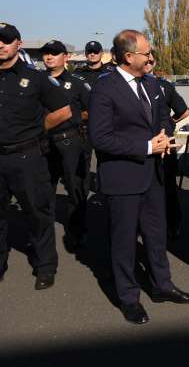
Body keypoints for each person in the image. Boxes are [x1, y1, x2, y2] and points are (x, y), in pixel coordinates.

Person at [89, 29, 189, 324]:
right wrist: (148, 146)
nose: (151, 57)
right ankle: (128, 298)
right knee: (124, 241)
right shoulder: (105, 88)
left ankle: (162, 285)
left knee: (156, 235)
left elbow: (162, 118)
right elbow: (100, 137)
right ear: (128, 56)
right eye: (146, 53)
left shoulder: (151, 83)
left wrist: (164, 135)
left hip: (154, 176)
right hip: (123, 177)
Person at [0, 23, 71, 289]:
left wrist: (37, 129)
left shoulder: (36, 78)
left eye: (6, 40)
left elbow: (63, 111)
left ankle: (45, 267)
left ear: (18, 44)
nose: (0, 45)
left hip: (27, 157)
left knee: (38, 214)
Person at [41, 40, 91, 251]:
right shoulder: (37, 81)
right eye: (46, 53)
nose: (49, 57)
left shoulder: (77, 83)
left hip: (70, 141)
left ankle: (76, 232)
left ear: (66, 57)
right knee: (43, 191)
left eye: (54, 53)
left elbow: (91, 110)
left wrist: (73, 117)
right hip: (43, 143)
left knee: (75, 188)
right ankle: (43, 237)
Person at [143, 56, 189, 240]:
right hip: (143, 145)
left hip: (166, 145)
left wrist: (170, 124)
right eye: (145, 60)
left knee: (168, 188)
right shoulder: (130, 86)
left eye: (151, 61)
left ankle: (173, 224)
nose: (147, 64)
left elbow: (183, 111)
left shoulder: (164, 86)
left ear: (155, 63)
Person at [73, 40, 115, 195]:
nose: (92, 54)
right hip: (84, 126)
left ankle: (105, 192)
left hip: (105, 125)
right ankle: (82, 196)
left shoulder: (111, 73)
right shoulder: (77, 74)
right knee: (83, 163)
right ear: (85, 54)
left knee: (106, 161)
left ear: (101, 54)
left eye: (95, 52)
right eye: (89, 52)